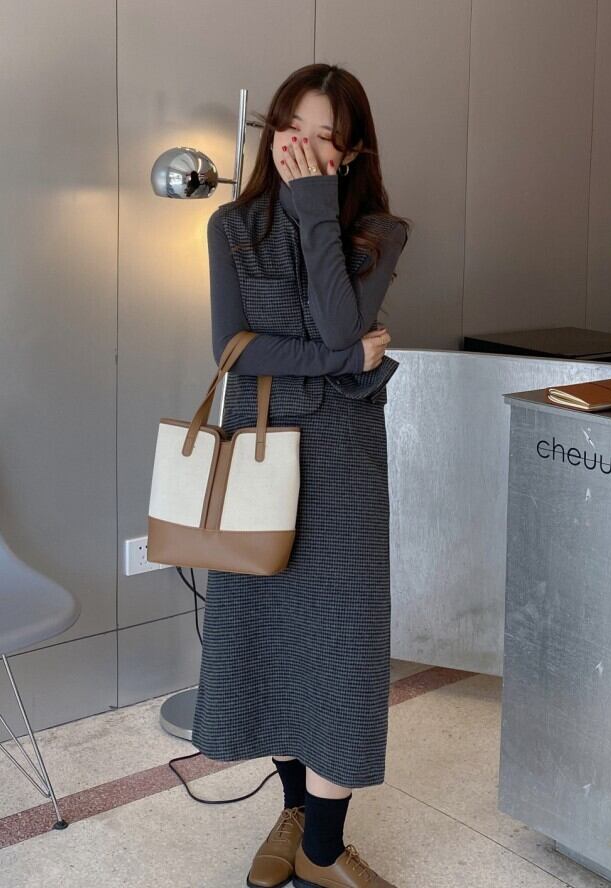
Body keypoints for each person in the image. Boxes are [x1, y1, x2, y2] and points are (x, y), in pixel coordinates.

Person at [190, 63, 410, 888]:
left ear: (350, 153)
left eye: (325, 138)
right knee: (271, 639)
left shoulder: (377, 233)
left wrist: (316, 209)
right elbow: (234, 348)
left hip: (343, 462)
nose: (304, 147)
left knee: (342, 649)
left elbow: (337, 320)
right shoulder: (231, 226)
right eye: (293, 129)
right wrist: (345, 361)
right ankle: (293, 812)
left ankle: (320, 848)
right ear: (272, 130)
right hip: (256, 448)